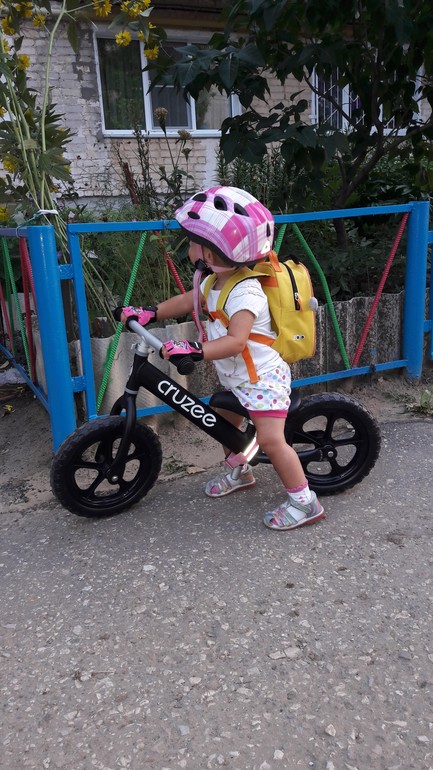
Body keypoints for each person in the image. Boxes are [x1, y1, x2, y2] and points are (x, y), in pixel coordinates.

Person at [121, 186, 325, 531]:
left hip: (262, 381)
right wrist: (150, 312)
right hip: (238, 378)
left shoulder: (246, 292)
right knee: (222, 424)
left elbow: (236, 341)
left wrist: (194, 349)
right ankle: (241, 471)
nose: (188, 249)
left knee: (272, 441)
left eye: (192, 242)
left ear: (212, 251)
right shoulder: (214, 280)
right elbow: (188, 300)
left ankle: (304, 502)